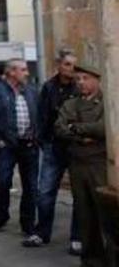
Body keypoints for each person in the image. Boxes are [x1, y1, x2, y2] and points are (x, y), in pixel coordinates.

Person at [25, 52, 81, 251]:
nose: (71, 69)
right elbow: (41, 114)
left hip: (75, 146)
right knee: (45, 192)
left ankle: (78, 237)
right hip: (53, 146)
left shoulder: (79, 86)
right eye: (67, 64)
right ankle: (42, 233)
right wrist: (42, 139)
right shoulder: (49, 87)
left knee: (79, 194)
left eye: (73, 65)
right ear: (59, 66)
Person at [55, 64, 108, 267]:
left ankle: (111, 256)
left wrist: (76, 128)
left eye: (85, 78)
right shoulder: (71, 104)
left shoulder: (106, 102)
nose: (80, 83)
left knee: (105, 212)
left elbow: (104, 128)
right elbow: (59, 128)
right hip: (78, 163)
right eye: (78, 79)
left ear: (97, 79)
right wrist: (83, 134)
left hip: (100, 163)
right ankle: (91, 260)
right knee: (84, 213)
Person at [0, 58, 39, 235]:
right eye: (23, 70)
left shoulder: (31, 91)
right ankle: (1, 216)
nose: (27, 73)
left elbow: (39, 115)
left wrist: (36, 136)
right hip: (6, 146)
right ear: (11, 72)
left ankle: (27, 221)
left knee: (30, 185)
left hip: (28, 145)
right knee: (3, 182)